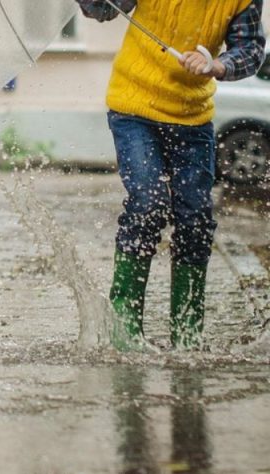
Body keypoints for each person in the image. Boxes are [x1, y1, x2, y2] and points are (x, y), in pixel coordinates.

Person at [76, 0, 266, 351]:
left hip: (193, 117)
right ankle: (124, 327)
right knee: (149, 203)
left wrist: (218, 65)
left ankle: (187, 334)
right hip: (134, 108)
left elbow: (251, 49)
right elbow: (103, 9)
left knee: (195, 218)